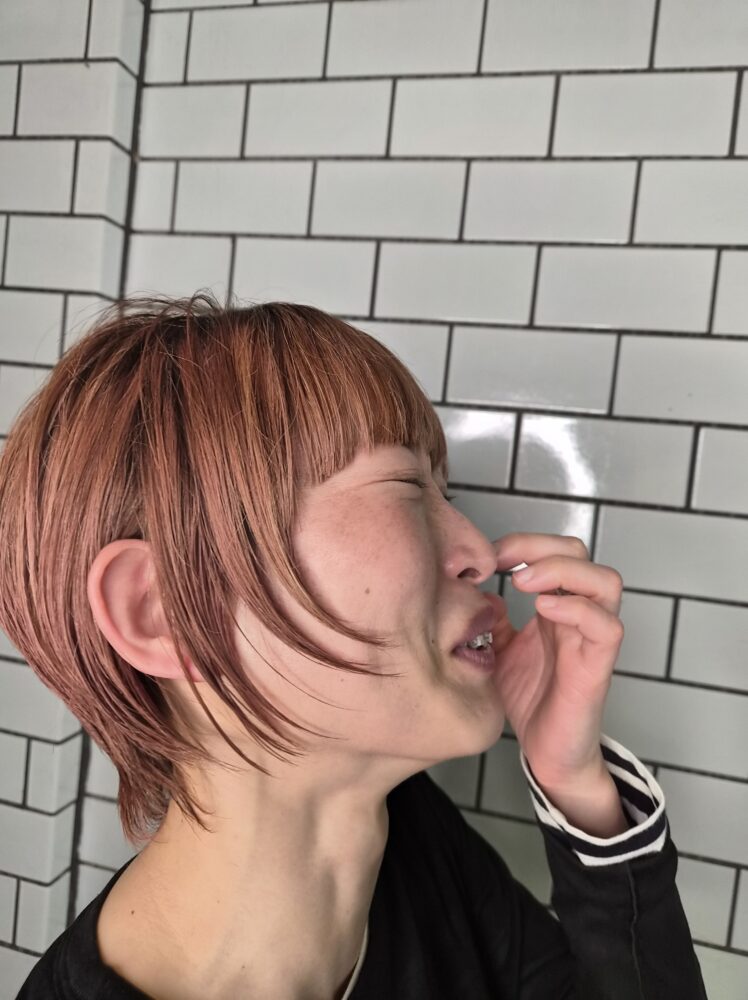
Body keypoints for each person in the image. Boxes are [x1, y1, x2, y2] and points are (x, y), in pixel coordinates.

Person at [1, 293, 707, 999]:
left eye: (447, 495)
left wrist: (573, 784)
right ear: (163, 612)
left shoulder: (418, 842)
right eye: (406, 487)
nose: (478, 552)